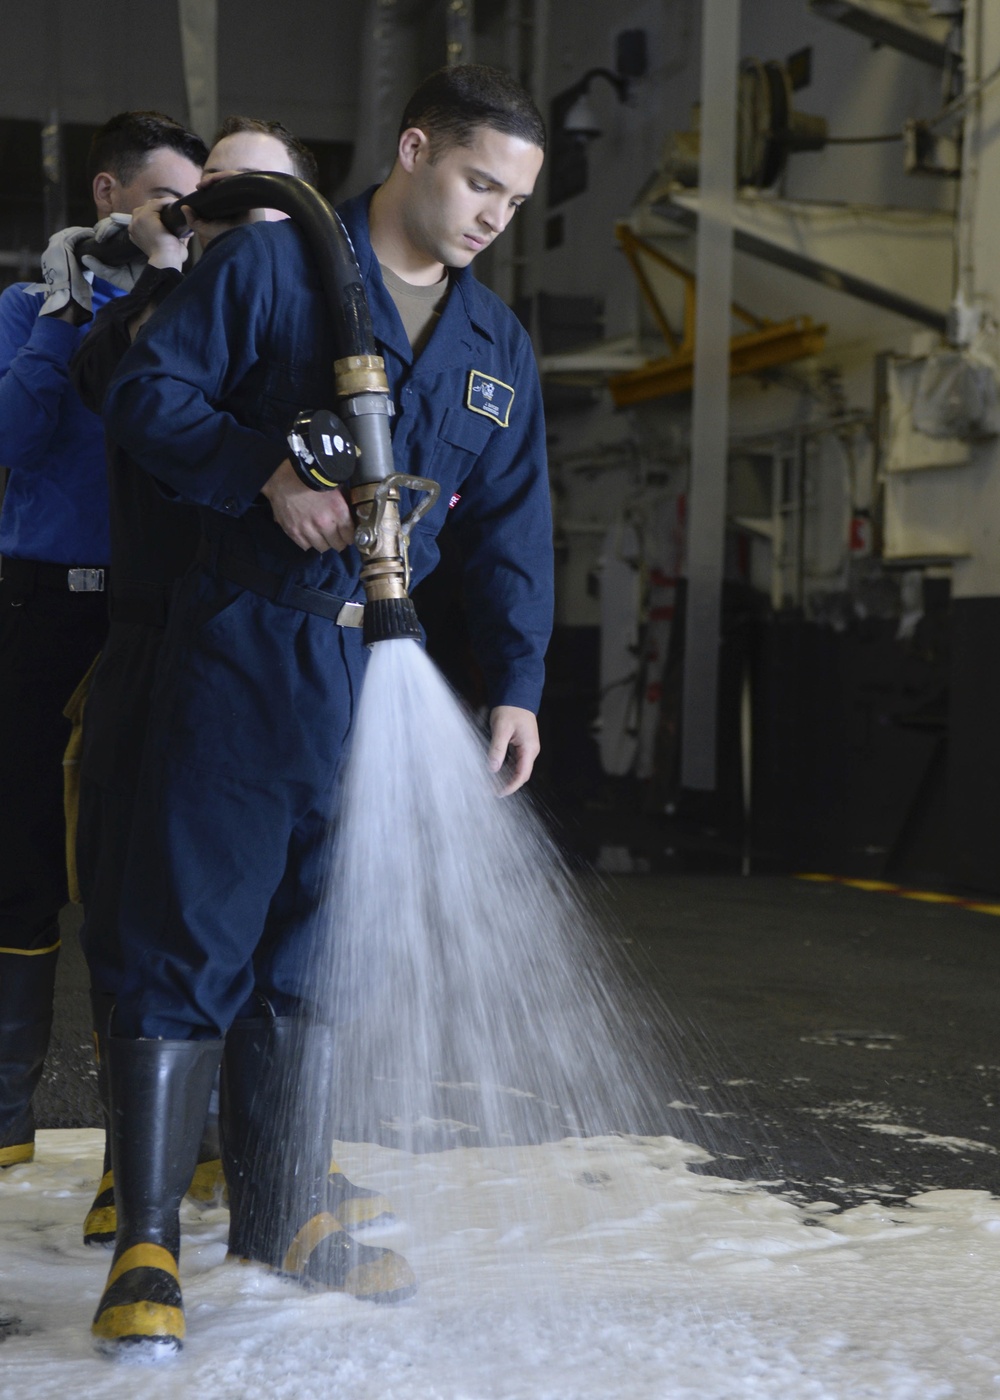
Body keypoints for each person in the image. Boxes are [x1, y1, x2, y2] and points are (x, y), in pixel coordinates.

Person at [92, 65, 552, 1357]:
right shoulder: (279, 268)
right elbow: (143, 394)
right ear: (413, 151)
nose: (489, 216)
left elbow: (516, 526)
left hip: (375, 674)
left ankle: (280, 1208)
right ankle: (146, 1240)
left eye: (512, 201)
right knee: (194, 939)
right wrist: (264, 473)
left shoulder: (493, 345)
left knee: (308, 957)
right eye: (476, 182)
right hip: (247, 649)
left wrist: (516, 682)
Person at [66, 116, 395, 1252]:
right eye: (211, 182)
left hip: (258, 645)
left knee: (283, 923)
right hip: (150, 640)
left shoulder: (303, 314)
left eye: (263, 186)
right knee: (137, 910)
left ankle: (269, 1161)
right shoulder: (154, 312)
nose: (231, 199)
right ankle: (134, 1164)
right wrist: (156, 268)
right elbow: (116, 387)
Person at [0, 111, 206, 1171]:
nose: (181, 221)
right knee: (19, 857)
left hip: (154, 612)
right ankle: (4, 1120)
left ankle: (140, 1151)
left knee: (139, 872)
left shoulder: (203, 315)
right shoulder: (26, 312)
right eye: (167, 202)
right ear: (108, 197)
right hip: (41, 607)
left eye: (195, 206)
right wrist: (61, 312)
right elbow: (11, 441)